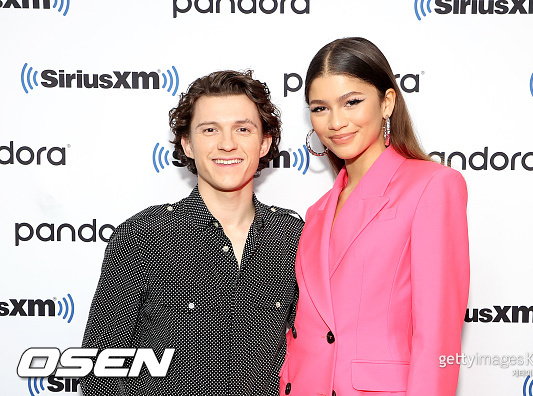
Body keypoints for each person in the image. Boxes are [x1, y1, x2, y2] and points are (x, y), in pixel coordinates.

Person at [80, 70, 303, 396]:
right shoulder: (143, 236)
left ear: (264, 142)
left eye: (243, 129)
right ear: (188, 143)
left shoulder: (293, 237)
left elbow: (313, 354)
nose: (227, 144)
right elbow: (100, 371)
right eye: (210, 130)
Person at [279, 38, 470, 396]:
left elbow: (438, 338)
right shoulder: (317, 212)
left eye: (351, 102)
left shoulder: (432, 186)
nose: (336, 122)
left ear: (387, 102)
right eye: (320, 109)